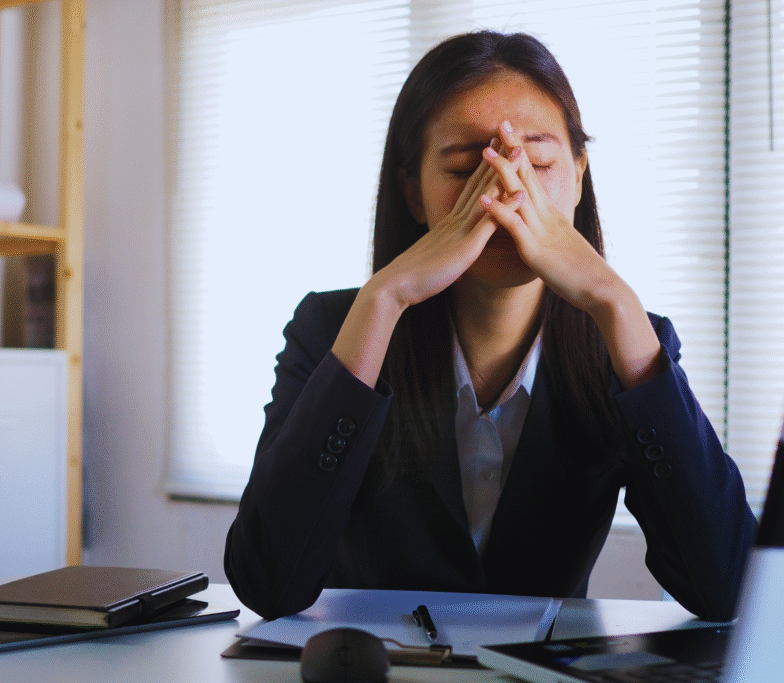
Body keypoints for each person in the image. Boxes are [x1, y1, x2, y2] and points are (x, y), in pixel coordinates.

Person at [224, 30, 756, 622]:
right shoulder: (333, 327)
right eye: (463, 169)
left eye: (540, 163)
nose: (506, 191)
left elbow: (728, 587)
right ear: (413, 192)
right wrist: (385, 297)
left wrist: (615, 301)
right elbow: (266, 580)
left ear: (579, 176)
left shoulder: (625, 339)